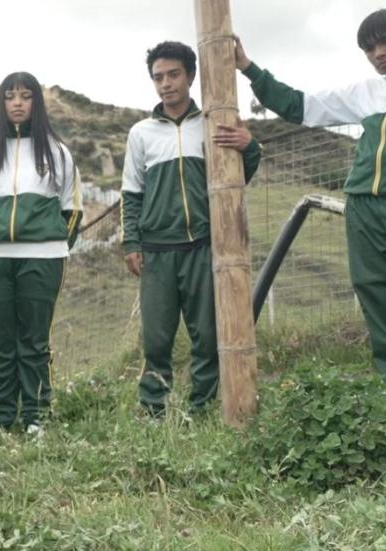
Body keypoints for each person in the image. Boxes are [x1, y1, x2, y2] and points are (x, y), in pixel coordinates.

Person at [234, 7, 386, 410]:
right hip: (362, 207)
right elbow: (298, 106)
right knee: (381, 304)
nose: (378, 53)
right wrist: (248, 68)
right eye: (369, 48)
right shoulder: (363, 91)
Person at [121, 41, 261, 417]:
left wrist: (251, 148)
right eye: (158, 77)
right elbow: (131, 193)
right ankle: (154, 411)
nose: (166, 84)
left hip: (204, 246)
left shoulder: (212, 123)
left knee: (207, 336)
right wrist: (131, 242)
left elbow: (240, 173)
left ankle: (201, 409)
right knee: (156, 339)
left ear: (191, 75)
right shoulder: (142, 133)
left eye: (173, 75)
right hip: (157, 249)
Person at [0, 72, 82, 440]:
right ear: (1, 105)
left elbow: (72, 208)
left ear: (37, 102)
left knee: (34, 339)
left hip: (43, 257)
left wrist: (52, 243)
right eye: (10, 97)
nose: (17, 103)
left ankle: (36, 416)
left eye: (25, 96)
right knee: (1, 340)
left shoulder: (57, 152)